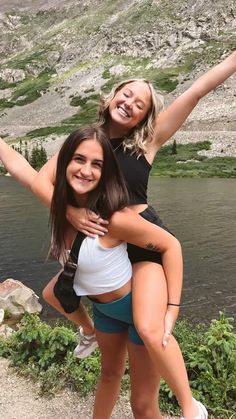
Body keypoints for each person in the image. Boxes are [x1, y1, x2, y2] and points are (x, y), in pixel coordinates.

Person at [0, 50, 235, 416]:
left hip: (143, 244)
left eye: (139, 103)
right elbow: (33, 178)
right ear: (110, 96)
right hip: (103, 240)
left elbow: (198, 89)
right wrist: (70, 209)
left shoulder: (147, 141)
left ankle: (192, 407)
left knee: (146, 325)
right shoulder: (80, 144)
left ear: (145, 116)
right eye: (126, 93)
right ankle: (89, 331)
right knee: (57, 293)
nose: (129, 103)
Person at [48, 124, 207, 419]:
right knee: (108, 376)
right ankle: (88, 332)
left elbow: (170, 245)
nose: (86, 170)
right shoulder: (62, 210)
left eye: (97, 164)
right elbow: (25, 173)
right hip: (105, 311)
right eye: (79, 159)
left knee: (143, 405)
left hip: (138, 304)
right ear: (64, 161)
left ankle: (193, 409)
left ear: (105, 173)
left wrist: (172, 307)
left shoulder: (113, 219)